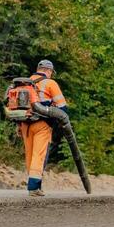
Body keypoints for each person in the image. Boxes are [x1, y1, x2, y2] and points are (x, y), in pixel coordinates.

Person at [21, 59, 69, 197]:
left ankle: (34, 185)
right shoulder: (50, 83)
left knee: (29, 154)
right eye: (51, 72)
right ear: (48, 71)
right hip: (42, 124)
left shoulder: (25, 82)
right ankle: (34, 187)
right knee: (39, 154)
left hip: (25, 124)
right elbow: (62, 107)